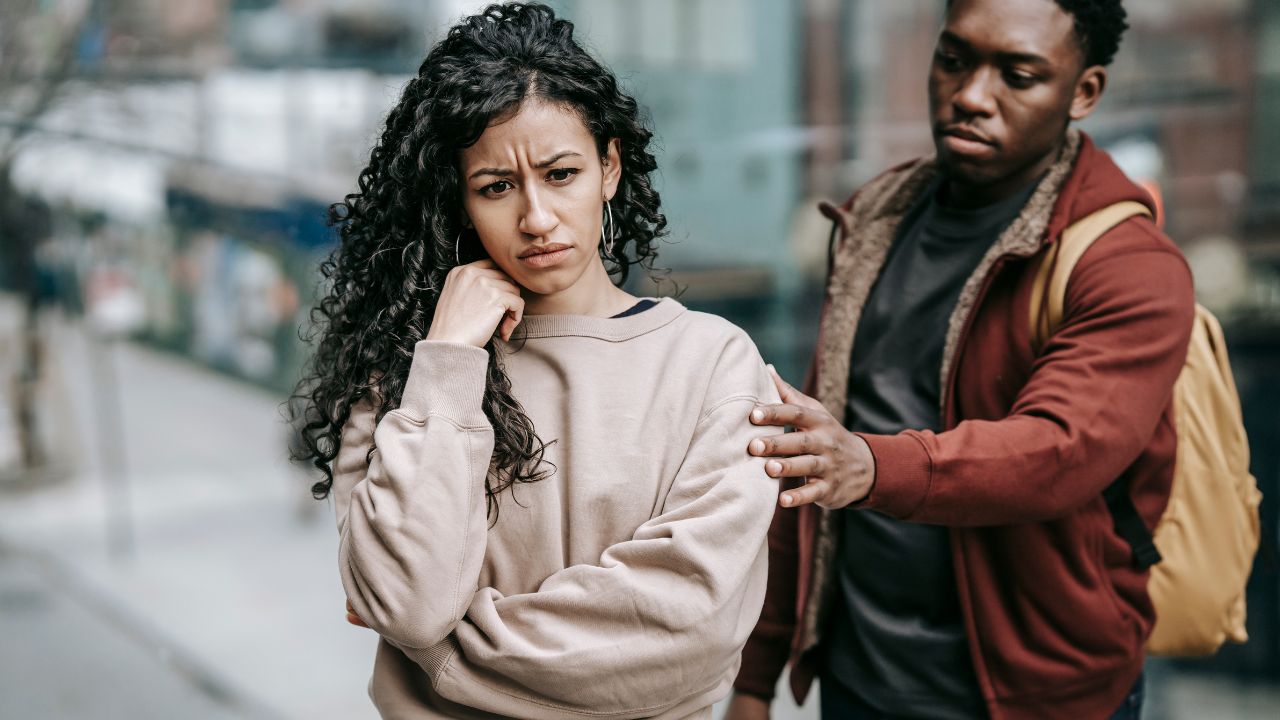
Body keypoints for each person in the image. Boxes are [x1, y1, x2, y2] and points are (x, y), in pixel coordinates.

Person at [290, 4, 780, 718]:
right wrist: (450, 359)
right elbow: (409, 598)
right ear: (458, 201)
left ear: (609, 168)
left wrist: (439, 655)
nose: (536, 218)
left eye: (560, 174)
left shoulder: (711, 364)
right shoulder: (406, 374)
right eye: (496, 187)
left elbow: (686, 633)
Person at [727, 0, 1195, 718]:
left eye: (1019, 74)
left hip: (1037, 693)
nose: (972, 95)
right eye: (954, 59)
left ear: (1085, 92)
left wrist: (873, 466)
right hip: (859, 679)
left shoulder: (1129, 263)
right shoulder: (877, 219)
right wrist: (757, 673)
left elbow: (1060, 449)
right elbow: (810, 459)